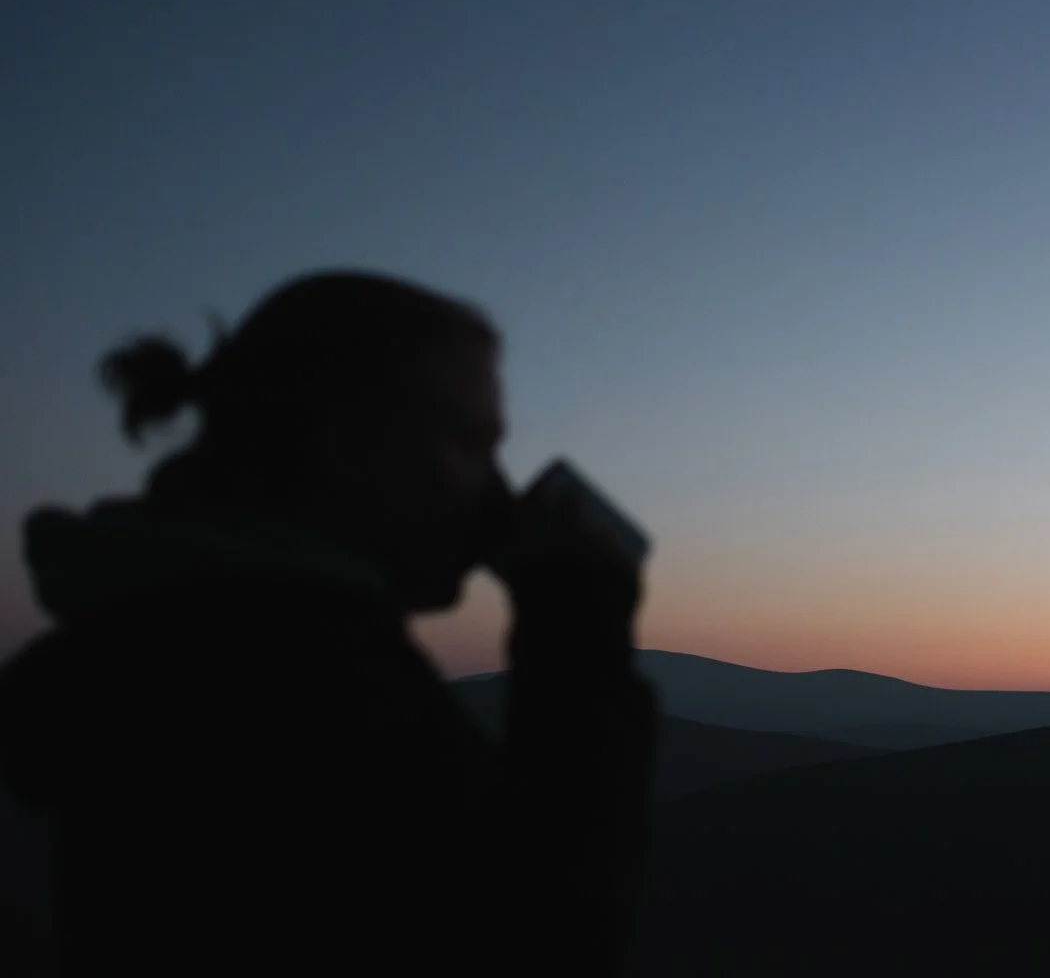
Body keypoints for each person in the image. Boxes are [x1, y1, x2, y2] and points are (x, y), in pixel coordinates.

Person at [0, 271, 659, 976]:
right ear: (344, 437)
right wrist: (578, 643)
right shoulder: (289, 678)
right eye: (471, 442)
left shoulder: (166, 636)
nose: (499, 490)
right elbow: (544, 940)